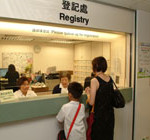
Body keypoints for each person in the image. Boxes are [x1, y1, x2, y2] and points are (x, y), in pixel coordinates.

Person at [85, 56, 114, 140]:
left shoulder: (94, 80)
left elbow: (91, 102)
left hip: (99, 117)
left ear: (96, 66)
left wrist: (88, 94)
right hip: (110, 115)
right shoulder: (109, 78)